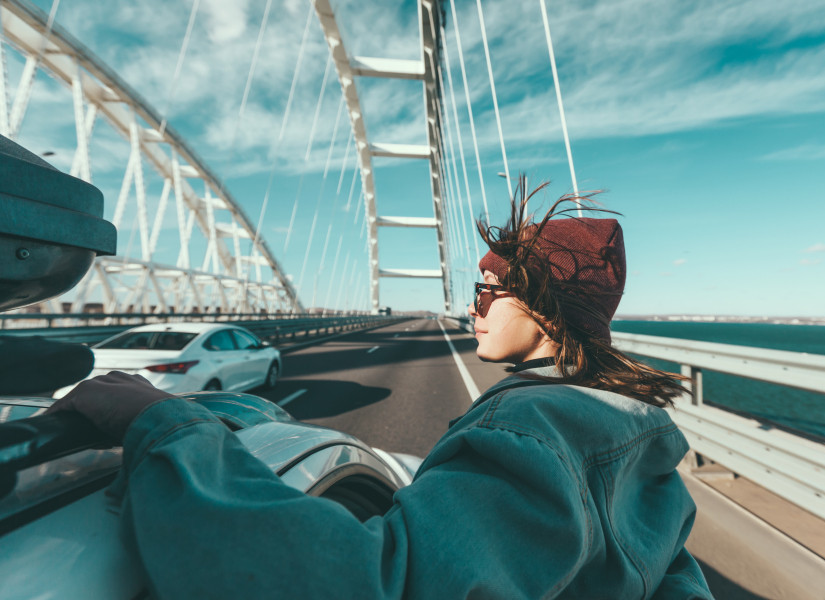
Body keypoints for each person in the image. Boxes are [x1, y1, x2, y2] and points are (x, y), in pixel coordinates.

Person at [50, 185, 713, 599]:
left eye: (487, 289)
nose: (473, 308)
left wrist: (168, 429)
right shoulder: (641, 455)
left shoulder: (533, 428)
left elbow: (374, 583)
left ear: (543, 306)